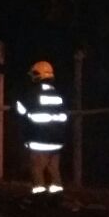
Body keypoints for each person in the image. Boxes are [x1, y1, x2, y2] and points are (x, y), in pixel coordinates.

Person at [16, 61, 69, 194]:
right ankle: (56, 197)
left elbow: (20, 109)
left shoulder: (32, 93)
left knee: (37, 170)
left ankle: (39, 200)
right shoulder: (57, 94)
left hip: (39, 141)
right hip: (57, 142)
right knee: (54, 171)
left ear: (37, 75)